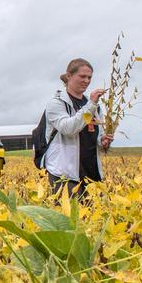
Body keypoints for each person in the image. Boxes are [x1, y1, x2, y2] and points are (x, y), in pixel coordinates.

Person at [41, 59, 114, 197]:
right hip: (65, 175)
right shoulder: (56, 103)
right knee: (68, 217)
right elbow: (69, 129)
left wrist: (103, 141)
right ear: (69, 76)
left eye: (89, 77)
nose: (86, 81)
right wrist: (91, 104)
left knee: (94, 217)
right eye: (82, 76)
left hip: (91, 172)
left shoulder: (95, 107)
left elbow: (96, 136)